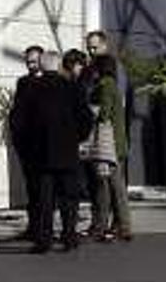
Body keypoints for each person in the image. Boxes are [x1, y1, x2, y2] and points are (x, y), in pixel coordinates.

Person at [9, 51, 93, 253]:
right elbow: (86, 118)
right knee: (68, 198)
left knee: (43, 199)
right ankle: (69, 237)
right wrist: (77, 138)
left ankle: (43, 240)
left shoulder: (30, 88)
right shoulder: (73, 87)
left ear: (42, 65)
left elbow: (17, 121)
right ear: (59, 66)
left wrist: (26, 146)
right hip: (66, 152)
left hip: (40, 154)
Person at [84, 54, 132, 242]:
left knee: (111, 186)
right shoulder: (113, 84)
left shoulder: (105, 85)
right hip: (117, 143)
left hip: (109, 145)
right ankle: (111, 225)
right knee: (112, 186)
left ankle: (120, 226)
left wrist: (88, 108)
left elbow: (104, 114)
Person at [10, 45, 46, 239]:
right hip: (26, 143)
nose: (30, 65)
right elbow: (18, 110)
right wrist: (16, 134)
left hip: (42, 143)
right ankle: (33, 226)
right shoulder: (23, 82)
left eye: (34, 61)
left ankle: (41, 227)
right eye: (28, 61)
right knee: (31, 187)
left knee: (43, 187)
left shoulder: (49, 82)